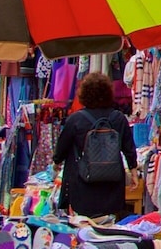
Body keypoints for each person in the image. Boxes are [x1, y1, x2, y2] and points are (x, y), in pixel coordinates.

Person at [52, 73, 136, 219]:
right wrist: (133, 172)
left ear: (84, 94)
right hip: (112, 184)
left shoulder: (75, 119)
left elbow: (62, 148)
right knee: (109, 222)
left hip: (83, 184)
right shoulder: (119, 118)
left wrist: (56, 163)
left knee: (83, 223)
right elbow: (129, 148)